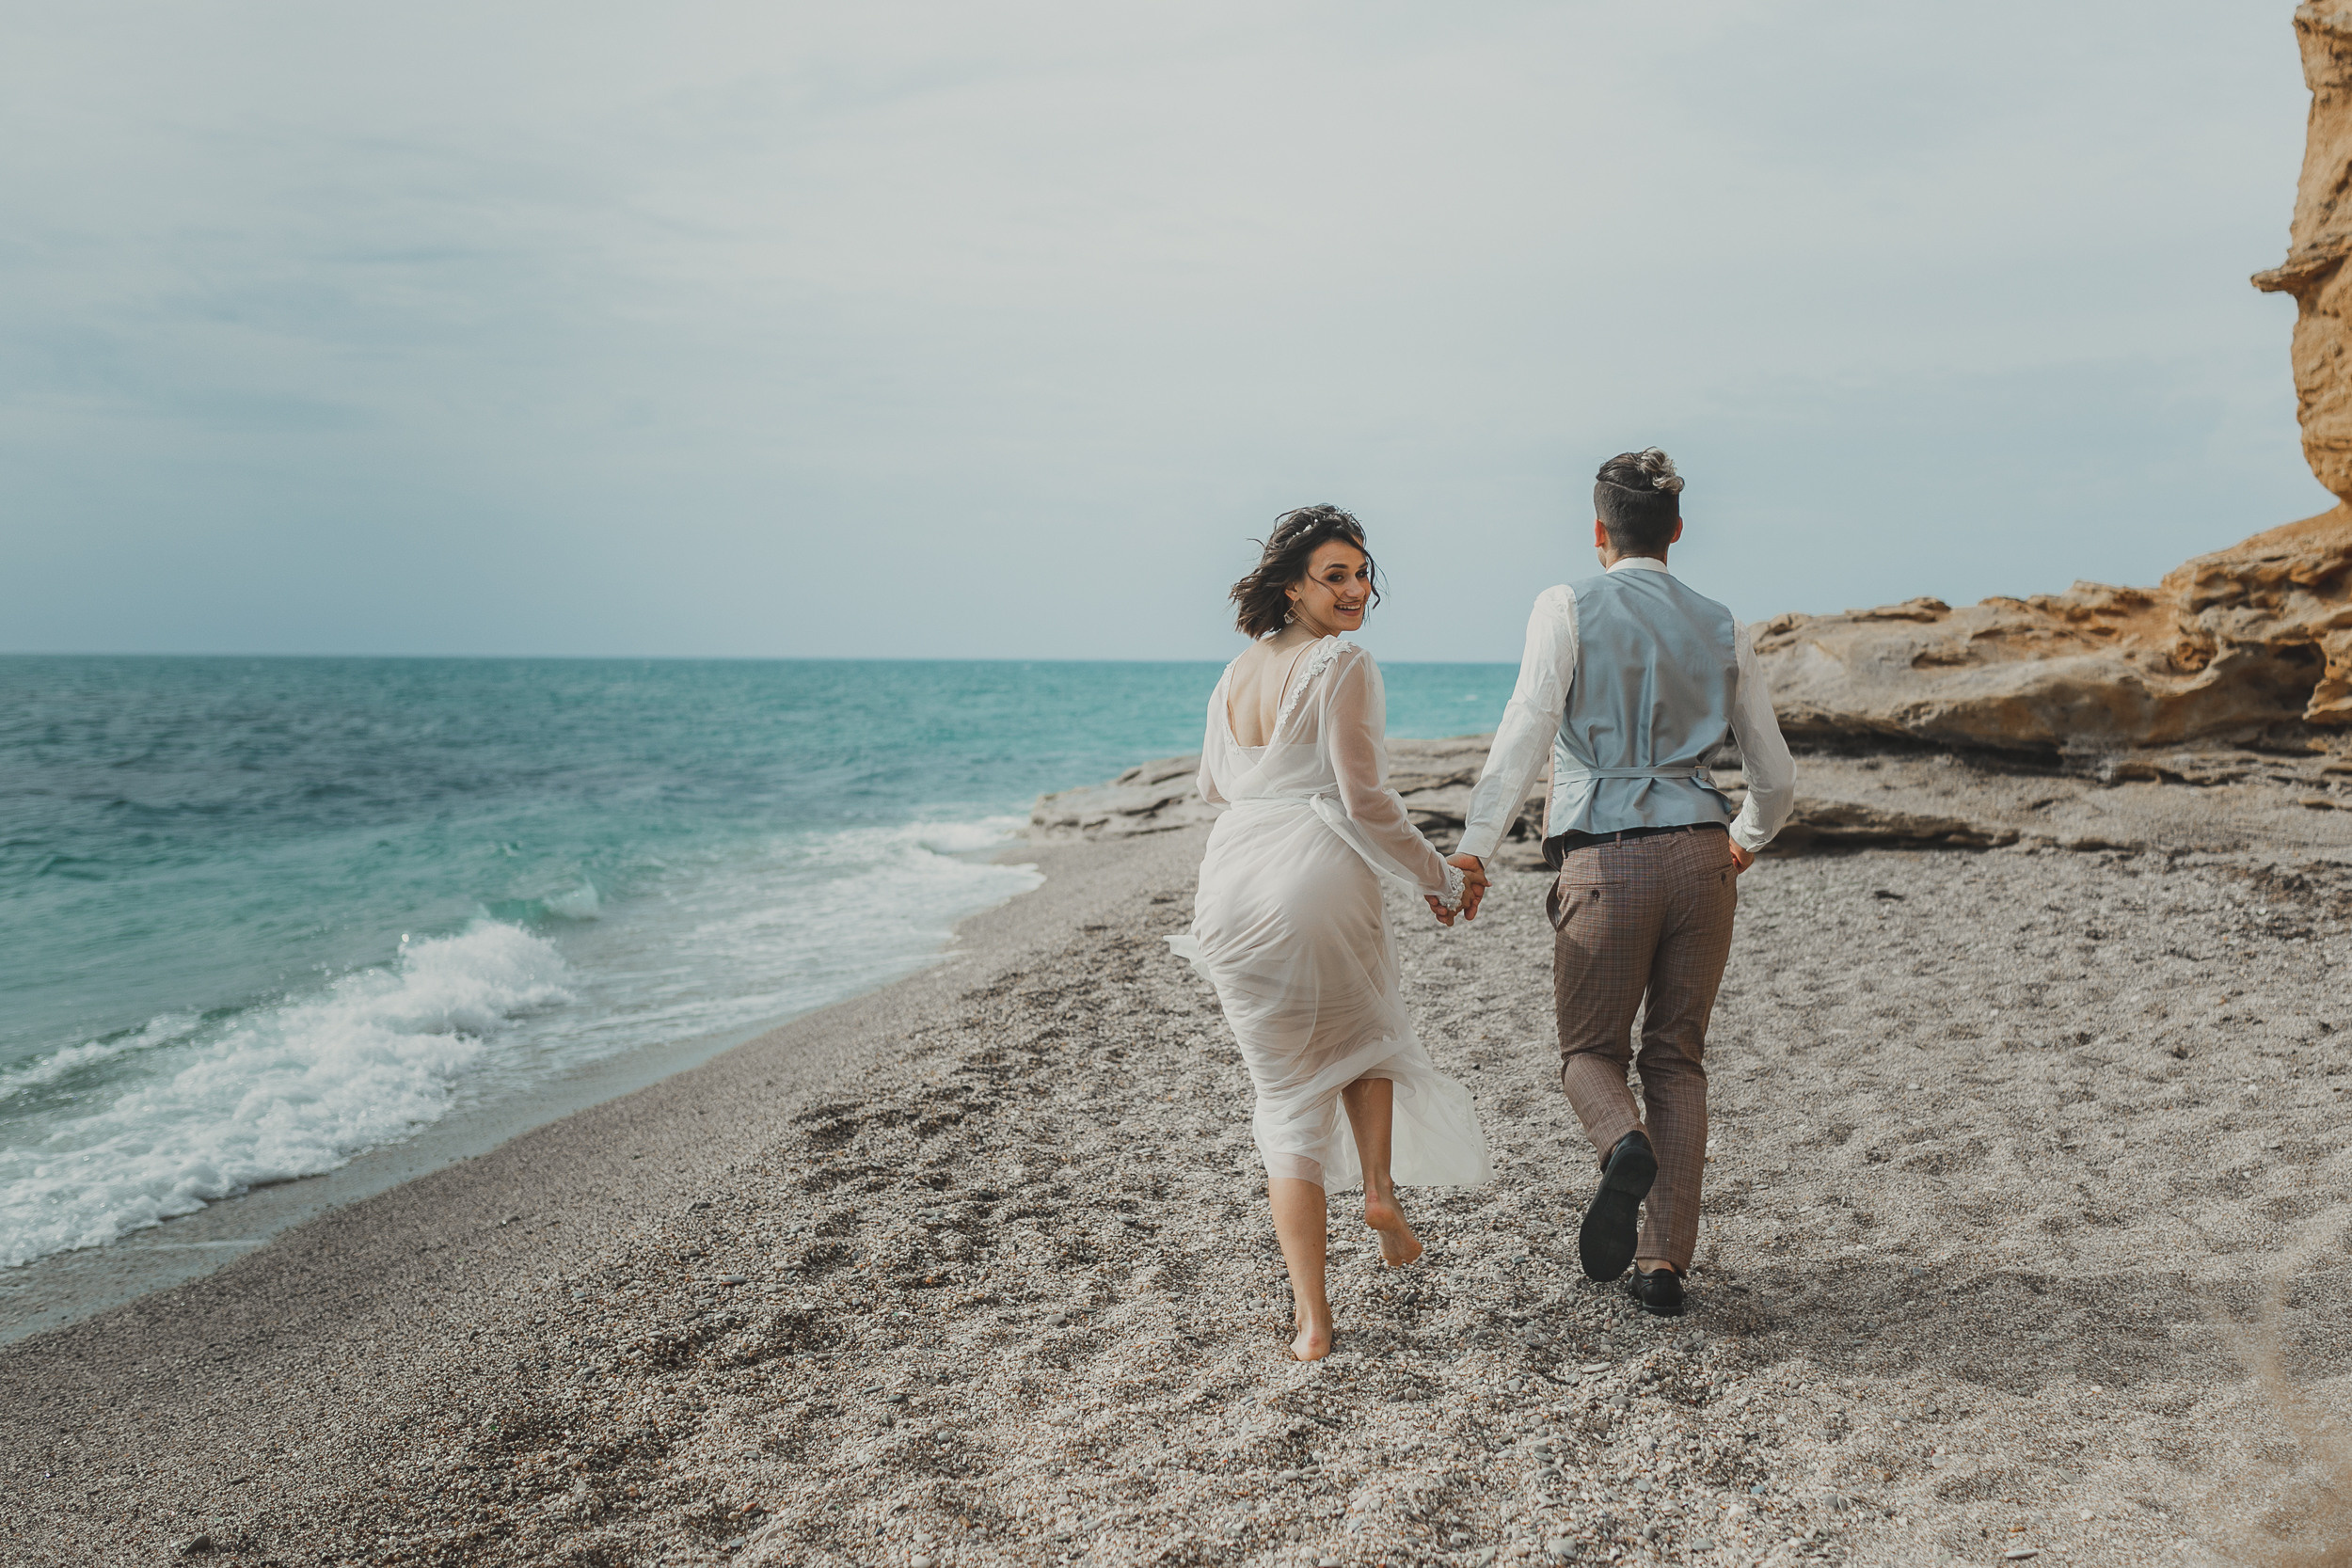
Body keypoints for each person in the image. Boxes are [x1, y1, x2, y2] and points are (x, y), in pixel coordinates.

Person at [1445, 450, 1794, 1317]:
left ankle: (1622, 1144)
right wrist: (1745, 839)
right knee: (1677, 1056)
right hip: (1704, 856)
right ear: (1676, 529)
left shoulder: (1565, 605)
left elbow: (1525, 730)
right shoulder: (1724, 624)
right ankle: (1664, 1264)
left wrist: (1475, 847)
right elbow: (1776, 775)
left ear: (1599, 531)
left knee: (1588, 1051)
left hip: (1606, 855)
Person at [1170, 504, 1495, 1361]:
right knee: (1373, 1033)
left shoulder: (1234, 672)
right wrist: (1440, 878)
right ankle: (1380, 1192)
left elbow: (1212, 785)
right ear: (1293, 587)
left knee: (1283, 1099)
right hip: (1315, 871)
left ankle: (1313, 1322)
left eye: (1362, 573)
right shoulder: (1343, 661)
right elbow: (1367, 802)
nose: (1358, 591)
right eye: (1336, 576)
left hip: (1229, 886)